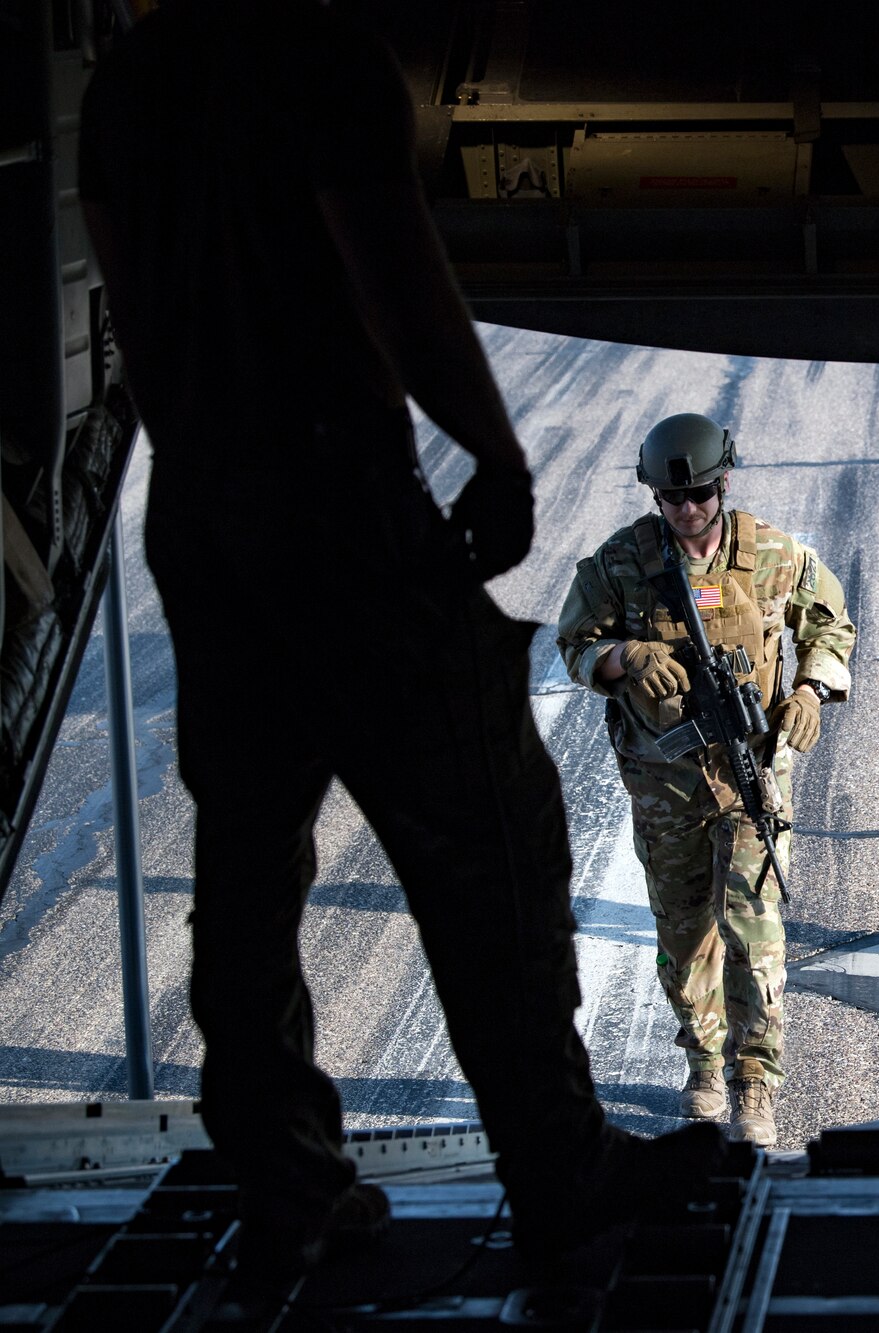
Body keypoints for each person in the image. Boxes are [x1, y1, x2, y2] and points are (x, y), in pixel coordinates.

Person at [78, 0, 722, 1288]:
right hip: (338, 507)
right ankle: (561, 1172)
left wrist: (213, 464)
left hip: (201, 517)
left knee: (248, 866)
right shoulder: (314, 59)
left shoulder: (127, 85)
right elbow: (397, 276)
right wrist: (494, 450)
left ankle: (285, 1184)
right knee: (492, 833)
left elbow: (130, 319)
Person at [557, 414, 855, 1147]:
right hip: (665, 786)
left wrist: (811, 689)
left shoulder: (774, 555)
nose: (687, 509)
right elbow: (575, 643)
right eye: (672, 498)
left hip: (753, 777)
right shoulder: (618, 565)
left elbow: (830, 624)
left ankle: (755, 1076)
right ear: (655, 495)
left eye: (699, 495)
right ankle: (704, 1063)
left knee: (754, 933)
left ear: (723, 483)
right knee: (685, 935)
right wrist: (624, 656)